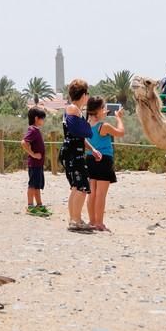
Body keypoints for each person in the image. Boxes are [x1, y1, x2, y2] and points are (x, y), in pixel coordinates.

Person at [59, 79, 102, 232]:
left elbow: (80, 136)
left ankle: (74, 218)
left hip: (74, 152)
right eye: (87, 94)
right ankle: (75, 220)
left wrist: (92, 149)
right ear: (83, 94)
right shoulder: (73, 109)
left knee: (76, 186)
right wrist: (89, 122)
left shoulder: (74, 111)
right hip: (73, 154)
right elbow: (82, 131)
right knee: (82, 186)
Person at [84, 96, 125, 232]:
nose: (105, 110)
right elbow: (121, 132)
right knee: (101, 194)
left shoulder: (86, 125)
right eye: (103, 107)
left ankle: (92, 221)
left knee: (92, 193)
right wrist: (118, 118)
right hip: (103, 160)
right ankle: (99, 223)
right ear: (98, 110)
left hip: (90, 159)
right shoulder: (104, 126)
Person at [20, 106, 51, 217]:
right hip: (34, 164)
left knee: (38, 185)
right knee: (32, 185)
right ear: (37, 118)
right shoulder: (32, 130)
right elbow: (24, 142)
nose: (43, 120)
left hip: (39, 164)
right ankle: (30, 206)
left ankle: (39, 205)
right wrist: (32, 154)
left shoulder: (36, 130)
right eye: (42, 118)